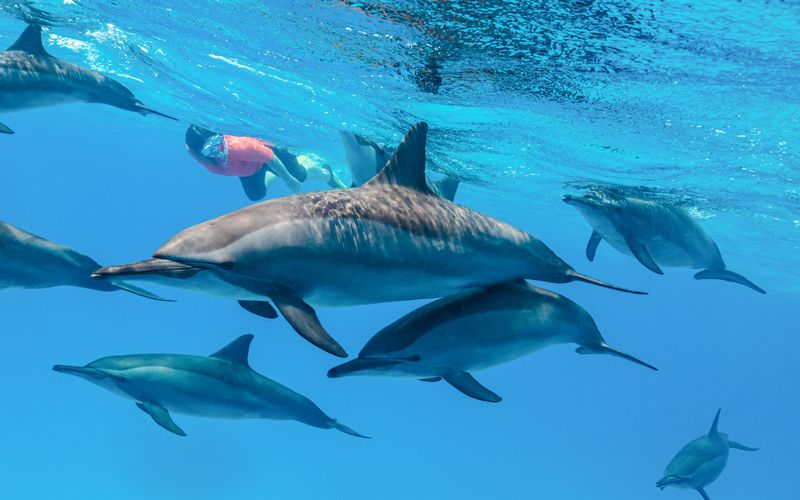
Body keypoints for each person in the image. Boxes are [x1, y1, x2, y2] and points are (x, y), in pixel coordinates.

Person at [185, 125, 347, 201]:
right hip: (250, 169)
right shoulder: (198, 156)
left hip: (271, 156)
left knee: (299, 176)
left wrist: (287, 178)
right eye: (209, 150)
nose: (217, 150)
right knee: (256, 195)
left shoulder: (238, 147)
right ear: (199, 153)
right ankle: (272, 175)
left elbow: (271, 158)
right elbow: (189, 148)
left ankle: (327, 174)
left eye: (216, 142)